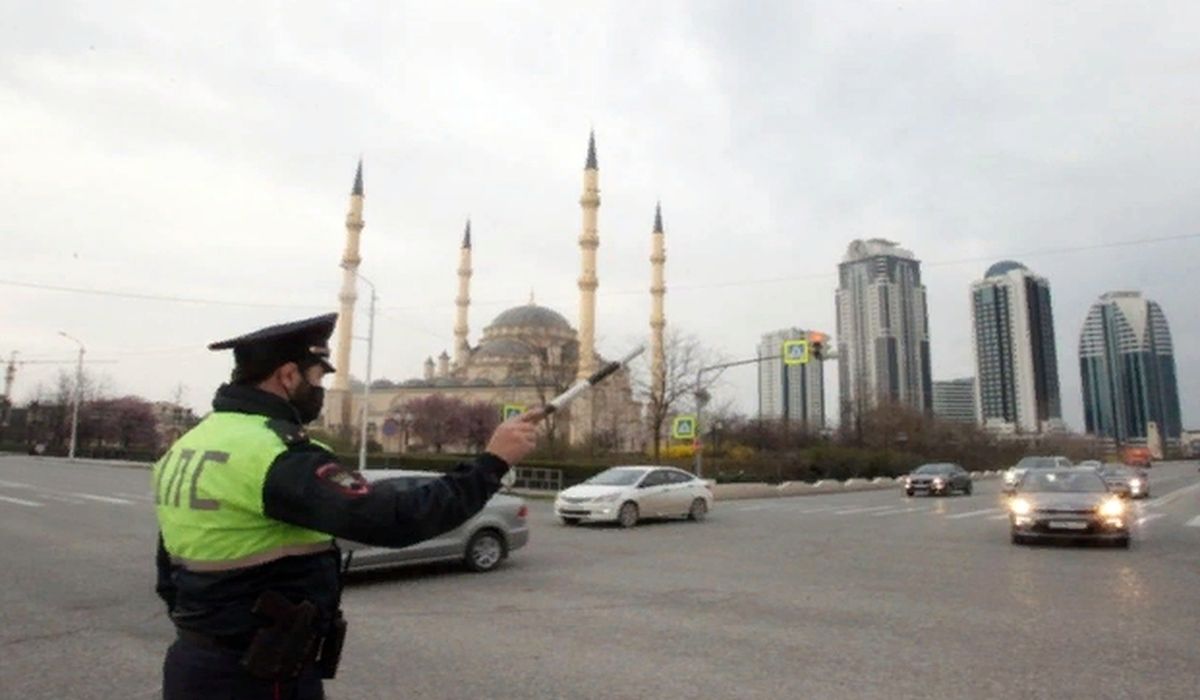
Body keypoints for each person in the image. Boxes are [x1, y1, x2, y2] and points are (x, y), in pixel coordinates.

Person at [153, 313, 540, 699]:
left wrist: (211, 626)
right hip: (259, 674)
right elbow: (396, 519)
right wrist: (492, 463)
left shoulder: (192, 443)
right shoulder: (276, 455)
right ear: (288, 376)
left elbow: (170, 568)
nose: (320, 390)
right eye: (317, 378)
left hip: (195, 660)